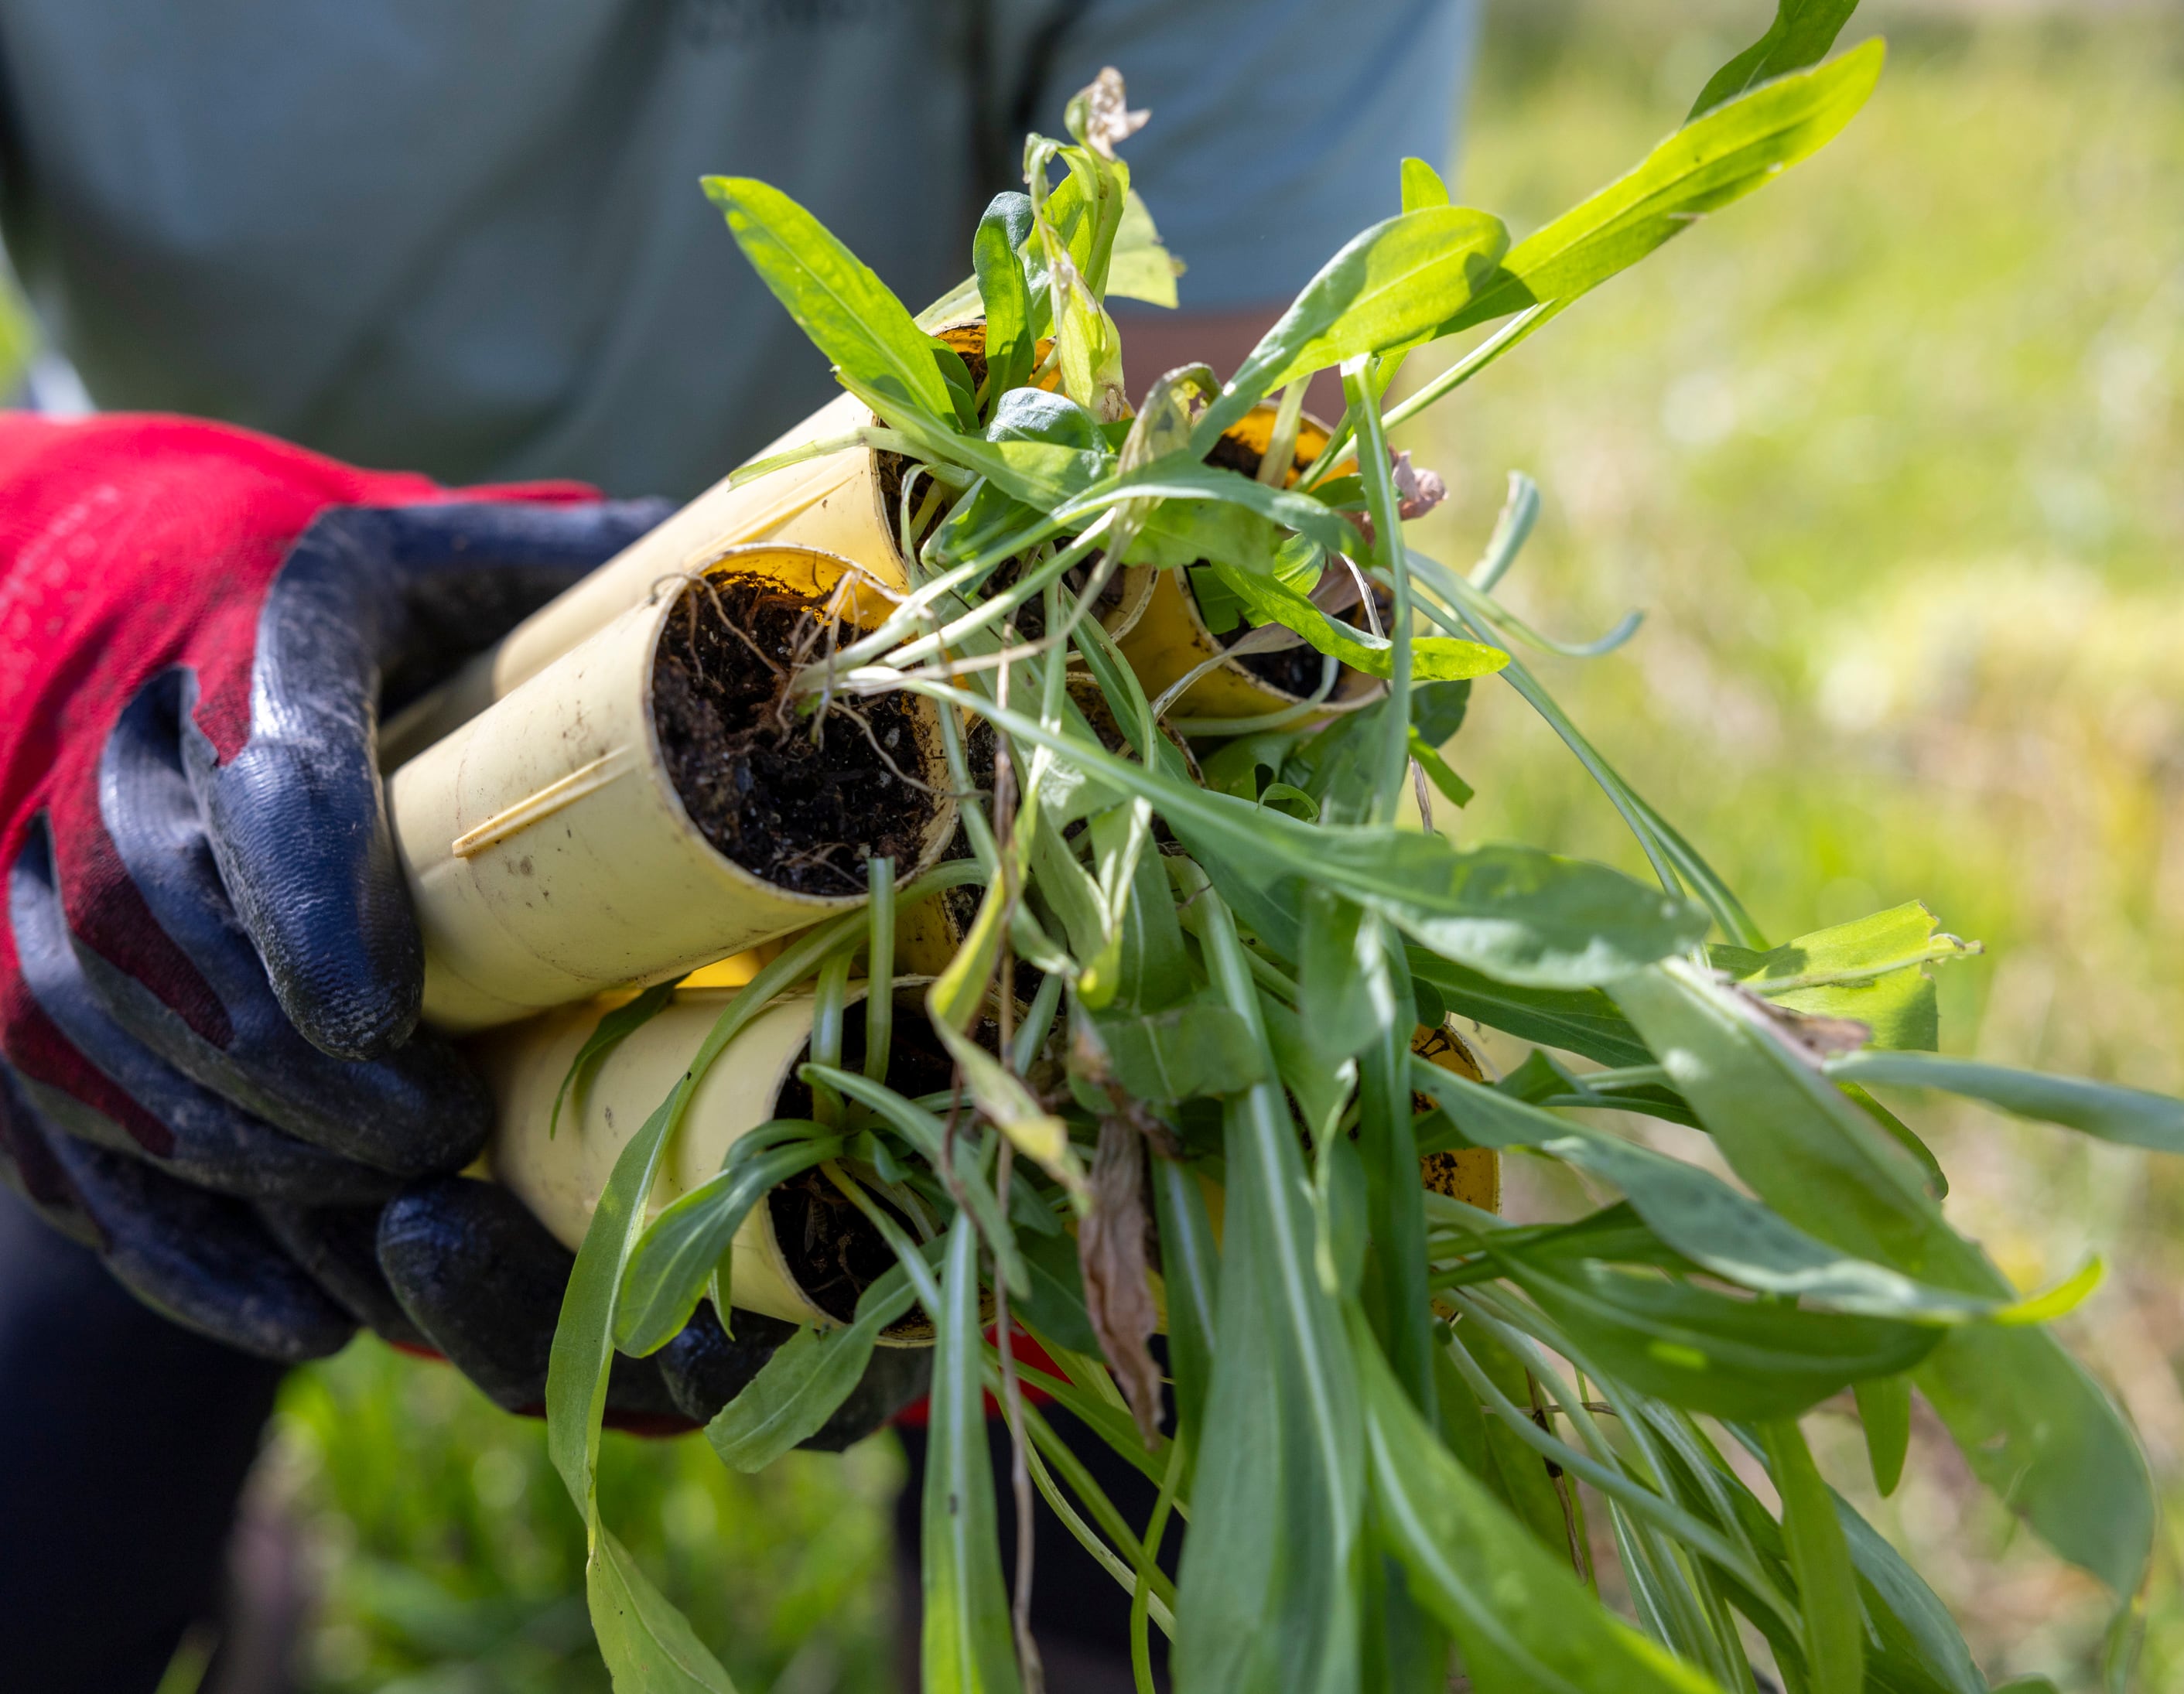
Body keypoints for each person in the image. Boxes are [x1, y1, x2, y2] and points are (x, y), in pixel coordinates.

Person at [0, 3, 1474, 1688]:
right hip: (196, 742)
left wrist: (1002, 1066)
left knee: (1177, 1539)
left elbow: (1173, 534)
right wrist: (40, 592)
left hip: (938, 790)